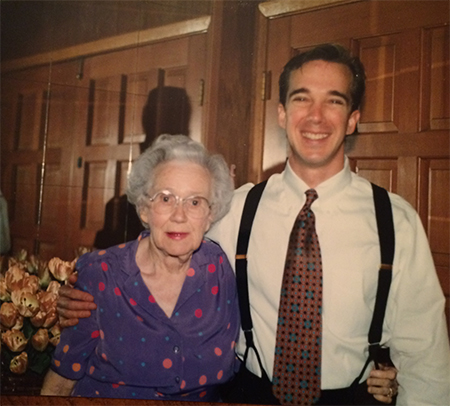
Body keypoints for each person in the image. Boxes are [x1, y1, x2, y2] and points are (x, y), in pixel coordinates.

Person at [55, 44, 438, 404]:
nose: (316, 116)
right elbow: (164, 238)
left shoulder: (395, 221)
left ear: (353, 120)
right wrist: (85, 293)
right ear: (282, 114)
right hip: (249, 394)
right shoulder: (236, 207)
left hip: (352, 397)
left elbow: (425, 355)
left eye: (333, 101)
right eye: (301, 98)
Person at [41, 134, 240, 401]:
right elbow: (62, 379)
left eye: (194, 202)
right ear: (145, 209)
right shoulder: (101, 274)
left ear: (210, 215)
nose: (179, 216)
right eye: (166, 199)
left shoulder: (221, 268)